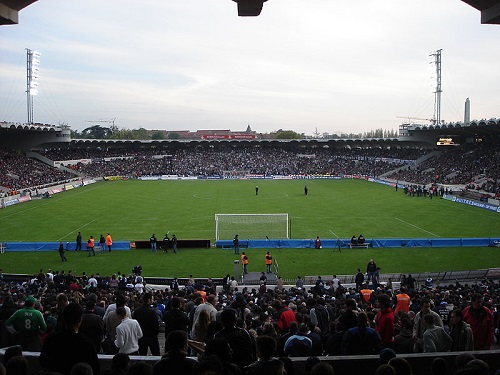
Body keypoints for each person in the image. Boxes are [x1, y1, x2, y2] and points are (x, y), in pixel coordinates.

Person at [39, 302, 100, 375]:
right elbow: (95, 368)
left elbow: (43, 362)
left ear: (64, 318)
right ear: (80, 320)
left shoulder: (50, 340)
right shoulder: (86, 343)